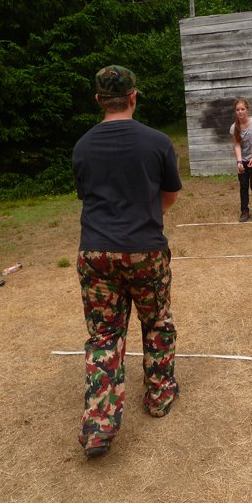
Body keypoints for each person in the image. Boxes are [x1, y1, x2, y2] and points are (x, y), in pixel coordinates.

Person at [72, 65, 182, 458]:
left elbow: (88, 197)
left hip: (96, 253)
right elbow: (169, 195)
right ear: (133, 97)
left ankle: (99, 424)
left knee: (104, 335)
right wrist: (145, 220)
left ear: (98, 100)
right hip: (146, 251)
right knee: (156, 323)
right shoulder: (157, 142)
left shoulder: (83, 146)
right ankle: (159, 395)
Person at [230, 98, 252, 222]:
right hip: (242, 160)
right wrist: (239, 162)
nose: (240, 112)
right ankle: (244, 211)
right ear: (235, 111)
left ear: (247, 110)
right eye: (238, 110)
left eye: (242, 109)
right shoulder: (234, 128)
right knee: (243, 185)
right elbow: (237, 145)